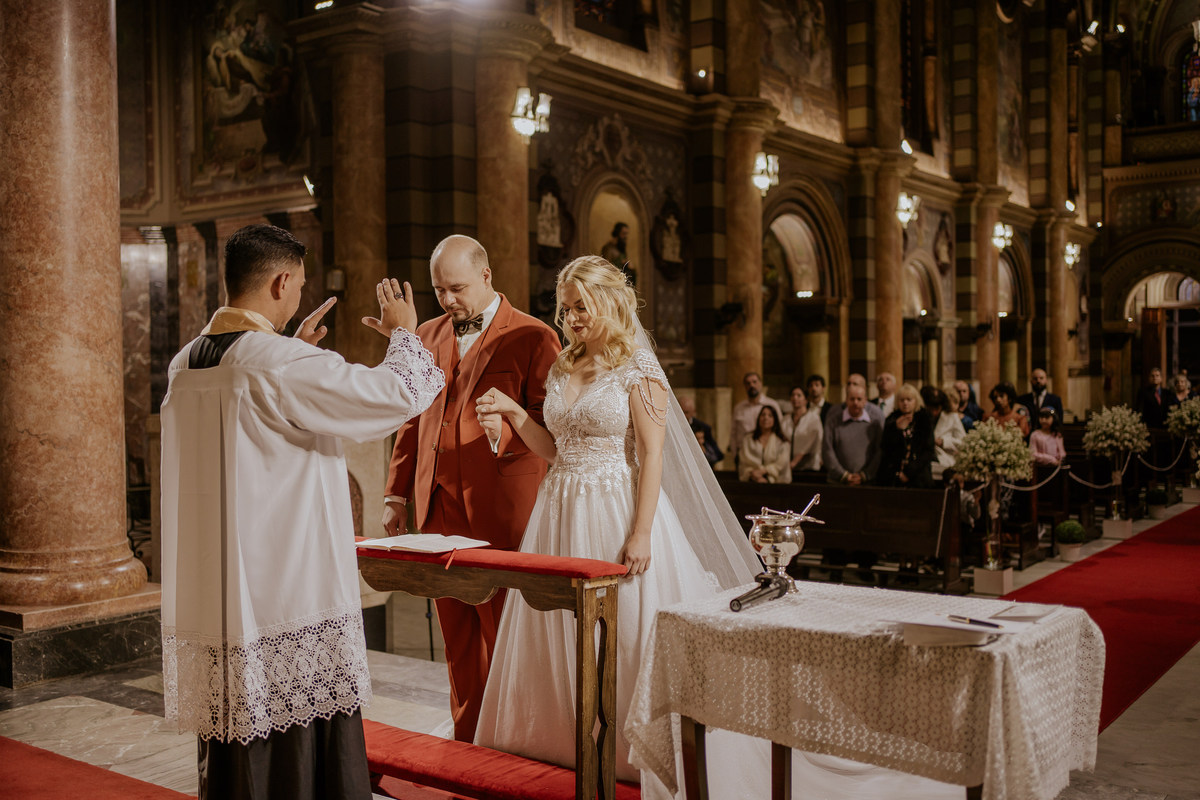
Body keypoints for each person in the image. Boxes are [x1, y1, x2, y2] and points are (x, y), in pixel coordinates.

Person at [472, 256, 958, 800]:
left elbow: (652, 456)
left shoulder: (638, 366)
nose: (572, 318)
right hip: (560, 510)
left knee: (629, 631)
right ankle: (563, 742)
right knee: (559, 631)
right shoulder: (563, 365)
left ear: (609, 301)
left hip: (616, 509)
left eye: (581, 306)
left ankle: (636, 753)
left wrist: (640, 532)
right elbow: (555, 449)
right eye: (566, 308)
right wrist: (518, 416)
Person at [160, 224, 445, 800]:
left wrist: (298, 350)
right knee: (301, 714)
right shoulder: (278, 360)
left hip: (217, 579)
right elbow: (393, 394)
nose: (298, 293)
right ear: (282, 281)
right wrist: (404, 335)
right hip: (287, 581)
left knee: (238, 712)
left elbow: (251, 422)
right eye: (299, 284)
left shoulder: (186, 361)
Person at [382, 235, 561, 742]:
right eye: (439, 290)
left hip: (503, 508)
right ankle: (470, 741)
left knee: (507, 634)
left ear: (486, 276)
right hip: (436, 504)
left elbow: (553, 425)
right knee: (457, 639)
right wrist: (396, 493)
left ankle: (518, 742)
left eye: (456, 288)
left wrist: (508, 427)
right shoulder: (426, 333)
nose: (447, 301)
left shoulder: (533, 335)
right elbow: (411, 418)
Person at [822, 382, 883, 486]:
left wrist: (865, 475)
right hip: (837, 482)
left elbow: (879, 450)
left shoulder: (874, 422)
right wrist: (844, 475)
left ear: (865, 401)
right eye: (852, 399)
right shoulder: (833, 420)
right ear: (846, 400)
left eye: (859, 399)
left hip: (867, 482)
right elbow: (827, 450)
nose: (855, 403)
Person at [877, 383, 936, 488]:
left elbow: (928, 450)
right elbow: (885, 448)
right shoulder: (892, 420)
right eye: (902, 400)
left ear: (916, 401)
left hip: (919, 474)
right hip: (895, 475)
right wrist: (897, 430)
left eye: (909, 399)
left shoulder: (924, 419)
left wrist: (909, 472)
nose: (905, 403)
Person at [728, 371, 783, 460]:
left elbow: (780, 429)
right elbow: (733, 433)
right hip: (744, 456)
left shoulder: (772, 404)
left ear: (760, 384)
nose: (752, 385)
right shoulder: (739, 408)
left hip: (769, 455)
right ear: (745, 387)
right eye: (748, 383)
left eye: (754, 382)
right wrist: (735, 454)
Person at [738, 405, 792, 483]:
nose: (766, 418)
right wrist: (754, 475)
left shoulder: (782, 441)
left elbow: (781, 464)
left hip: (778, 483)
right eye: (763, 415)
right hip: (751, 480)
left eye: (770, 415)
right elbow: (744, 461)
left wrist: (764, 472)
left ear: (775, 420)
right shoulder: (748, 439)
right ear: (759, 418)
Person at [923, 386, 965, 480]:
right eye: (931, 409)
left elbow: (963, 442)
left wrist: (944, 442)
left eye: (937, 409)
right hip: (926, 463)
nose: (934, 412)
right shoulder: (923, 417)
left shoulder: (951, 417)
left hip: (944, 462)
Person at [782, 385, 823, 472]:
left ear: (806, 400)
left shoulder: (813, 418)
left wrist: (794, 462)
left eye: (799, 395)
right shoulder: (786, 419)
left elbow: (809, 444)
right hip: (788, 466)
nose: (795, 398)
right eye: (793, 395)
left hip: (808, 467)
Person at [679, 393, 723, 467]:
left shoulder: (703, 427)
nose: (683, 415)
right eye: (680, 412)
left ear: (693, 412)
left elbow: (718, 455)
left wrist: (702, 449)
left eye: (686, 412)